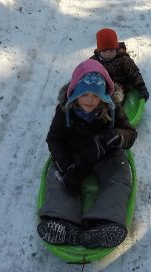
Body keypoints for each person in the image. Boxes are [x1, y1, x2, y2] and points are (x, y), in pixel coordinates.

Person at [37, 59, 137, 248]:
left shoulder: (113, 109)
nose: (90, 100)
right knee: (58, 178)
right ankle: (62, 222)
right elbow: (54, 139)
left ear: (104, 95)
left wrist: (116, 136)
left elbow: (130, 133)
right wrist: (67, 166)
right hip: (75, 155)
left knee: (118, 177)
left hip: (105, 154)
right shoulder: (64, 111)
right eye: (84, 94)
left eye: (95, 95)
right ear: (75, 92)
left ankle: (104, 223)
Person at [90, 27, 150, 102]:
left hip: (119, 88)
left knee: (116, 97)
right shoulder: (94, 61)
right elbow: (85, 72)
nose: (108, 53)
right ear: (99, 51)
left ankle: (115, 109)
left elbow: (134, 74)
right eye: (104, 51)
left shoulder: (123, 60)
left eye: (111, 50)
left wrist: (142, 88)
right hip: (101, 86)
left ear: (116, 48)